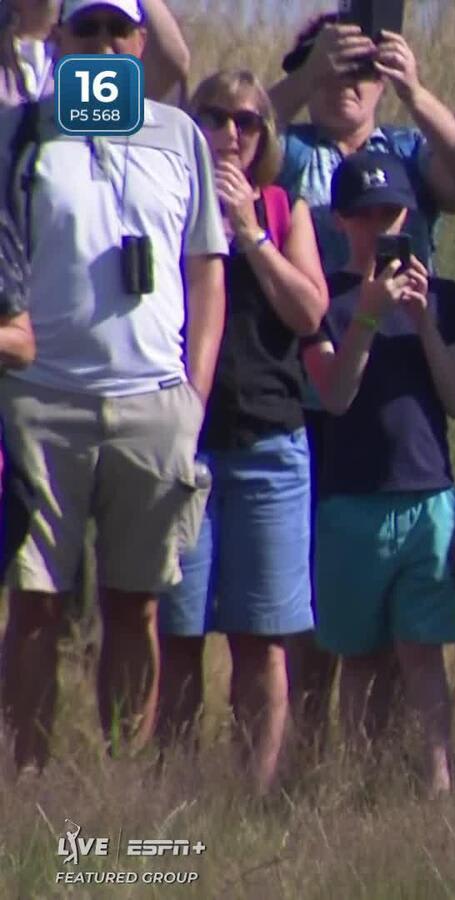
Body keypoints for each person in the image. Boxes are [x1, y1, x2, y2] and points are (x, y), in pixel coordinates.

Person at [0, 0, 226, 773]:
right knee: (35, 604)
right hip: (42, 399)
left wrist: (193, 393)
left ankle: (122, 781)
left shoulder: (178, 135)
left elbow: (205, 269)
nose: (101, 44)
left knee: (136, 604)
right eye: (84, 29)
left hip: (153, 401)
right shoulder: (21, 131)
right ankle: (24, 778)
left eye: (116, 31)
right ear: (59, 42)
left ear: (139, 42)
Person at [153, 70, 328, 793]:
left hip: (267, 445)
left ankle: (253, 793)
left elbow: (311, 312)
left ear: (265, 137)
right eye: (215, 117)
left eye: (247, 122)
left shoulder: (288, 210)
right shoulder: (163, 204)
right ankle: (168, 787)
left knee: (260, 640)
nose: (230, 133)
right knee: (178, 635)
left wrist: (253, 233)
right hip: (182, 445)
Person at [299, 152, 455, 795]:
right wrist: (369, 314)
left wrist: (424, 319)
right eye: (366, 216)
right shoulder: (324, 302)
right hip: (350, 502)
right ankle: (366, 785)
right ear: (342, 221)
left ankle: (437, 785)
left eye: (392, 214)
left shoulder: (445, 298)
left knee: (422, 653)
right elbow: (335, 394)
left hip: (428, 499)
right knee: (362, 660)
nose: (380, 228)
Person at [267, 11, 455, 275]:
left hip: (406, 312)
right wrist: (309, 74)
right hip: (316, 314)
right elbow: (225, 145)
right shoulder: (283, 149)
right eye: (332, 67)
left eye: (361, 66)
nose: (344, 80)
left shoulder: (408, 151)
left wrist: (414, 93)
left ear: (382, 80)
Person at [1, 0, 192, 107]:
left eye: (117, 28)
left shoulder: (88, 47)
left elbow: (171, 62)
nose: (102, 37)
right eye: (87, 27)